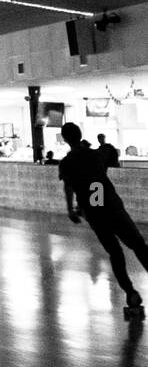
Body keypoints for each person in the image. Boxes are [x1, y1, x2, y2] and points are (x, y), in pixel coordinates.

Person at [59, 121, 148, 319]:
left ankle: (131, 293)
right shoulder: (95, 155)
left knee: (115, 253)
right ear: (80, 134)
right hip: (112, 207)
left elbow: (68, 188)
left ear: (65, 139)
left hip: (94, 213)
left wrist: (71, 209)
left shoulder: (67, 163)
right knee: (138, 245)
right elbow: (110, 157)